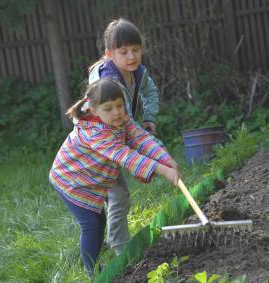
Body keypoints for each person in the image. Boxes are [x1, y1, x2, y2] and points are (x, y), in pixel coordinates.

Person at [49, 79, 180, 276]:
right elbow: (127, 156)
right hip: (71, 183)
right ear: (94, 110)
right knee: (91, 226)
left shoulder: (120, 119)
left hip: (90, 182)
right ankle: (93, 273)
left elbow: (140, 138)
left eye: (119, 105)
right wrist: (162, 170)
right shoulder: (96, 133)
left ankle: (94, 265)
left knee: (99, 221)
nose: (117, 112)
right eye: (109, 108)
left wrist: (165, 159)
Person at [87, 18, 164, 255]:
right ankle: (119, 248)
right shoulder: (109, 82)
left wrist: (150, 118)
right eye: (124, 52)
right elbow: (127, 126)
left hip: (116, 138)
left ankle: (105, 242)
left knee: (113, 196)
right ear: (110, 55)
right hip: (97, 144)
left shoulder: (138, 73)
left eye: (136, 49)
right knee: (117, 195)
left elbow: (149, 92)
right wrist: (155, 154)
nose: (131, 56)